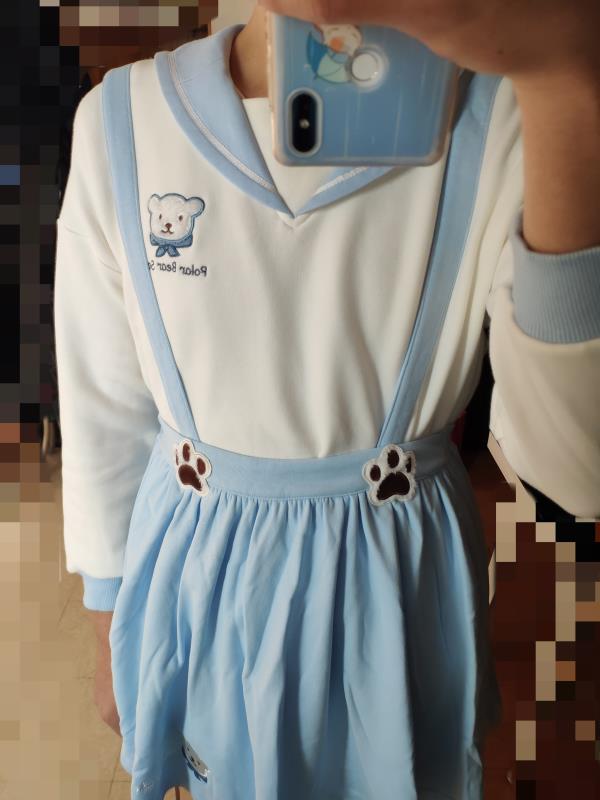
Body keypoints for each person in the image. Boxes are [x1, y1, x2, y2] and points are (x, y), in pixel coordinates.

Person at [53, 0, 600, 798]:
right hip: (201, 584)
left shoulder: (508, 112)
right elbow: (103, 404)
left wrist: (568, 82)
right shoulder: (122, 121)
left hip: (395, 588)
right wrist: (109, 614)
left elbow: (576, 470)